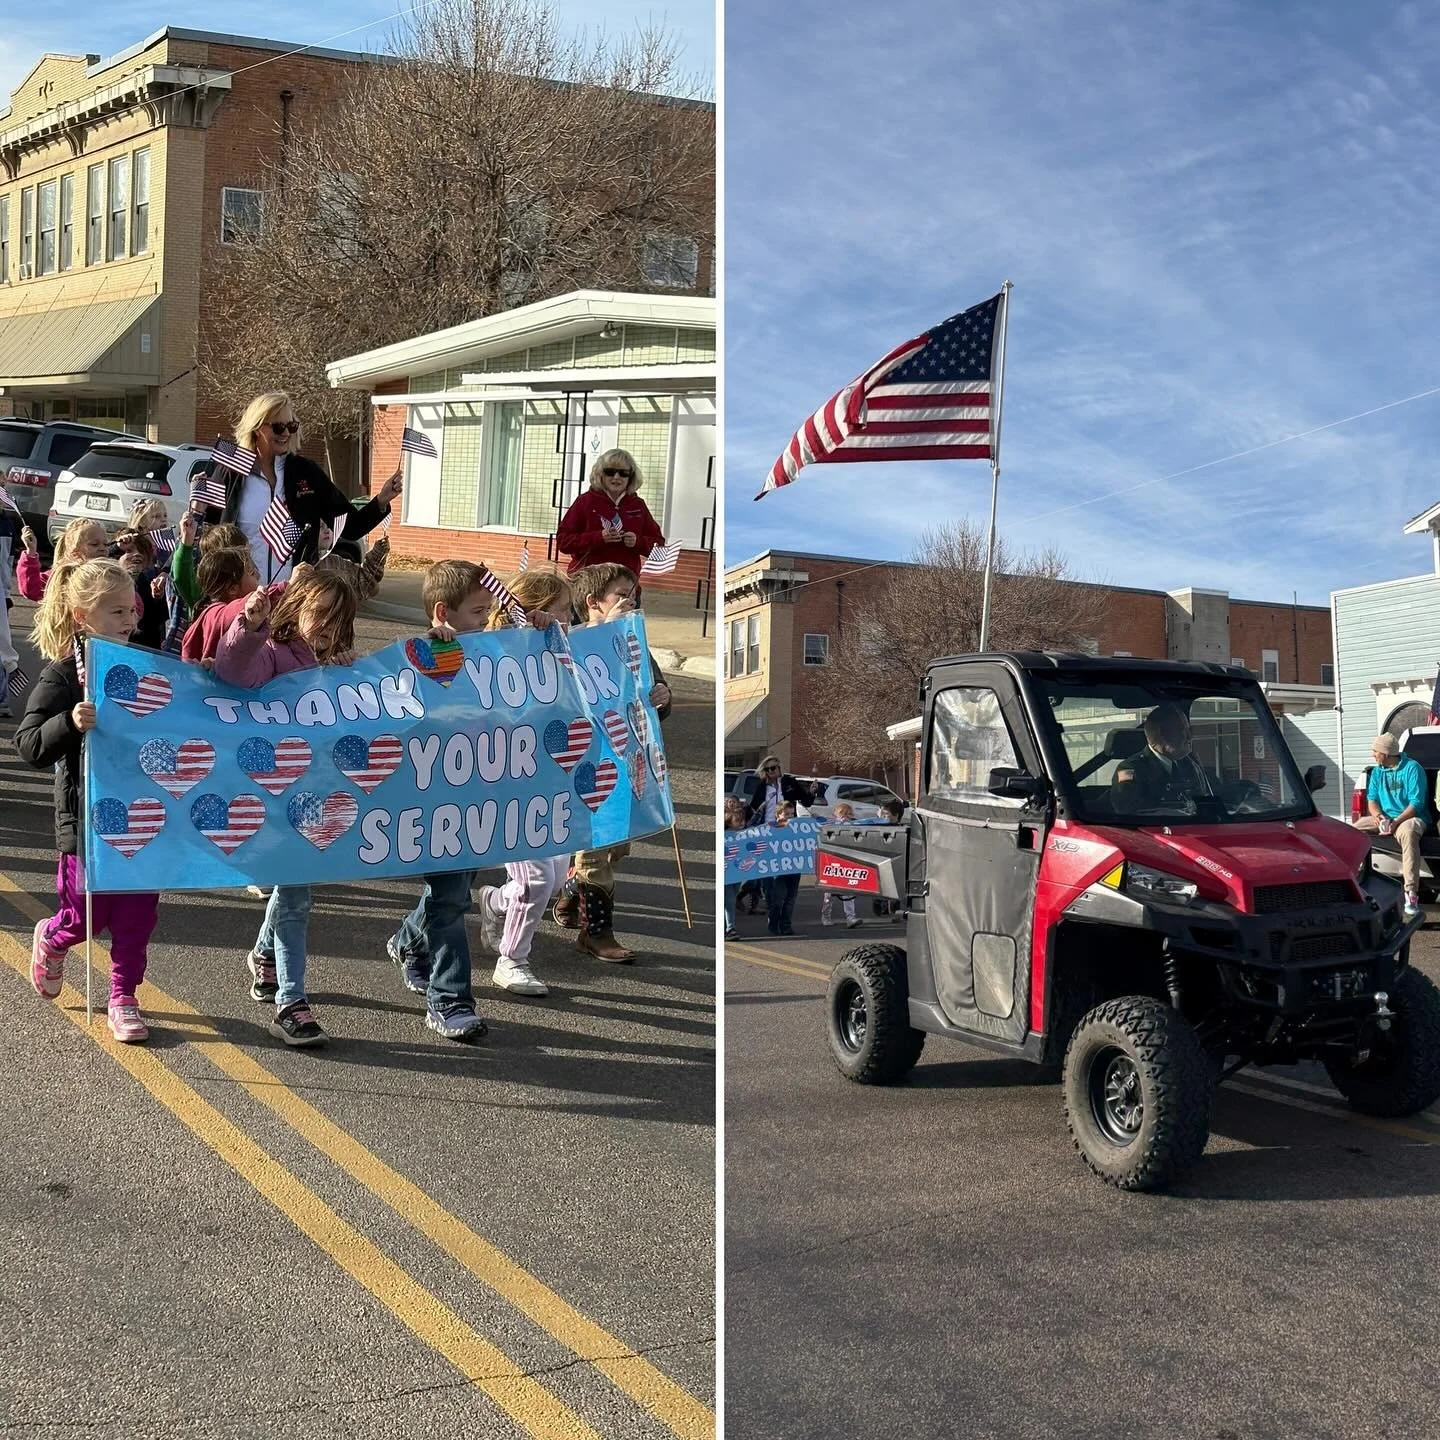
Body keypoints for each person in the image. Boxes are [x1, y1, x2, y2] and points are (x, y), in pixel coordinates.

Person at [16, 559, 161, 1042]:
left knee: (137, 917)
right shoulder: (62, 676)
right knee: (86, 916)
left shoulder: (144, 663)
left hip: (143, 818)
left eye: (132, 610)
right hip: (85, 821)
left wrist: (195, 680)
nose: (129, 621)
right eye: (117, 611)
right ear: (82, 615)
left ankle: (123, 997)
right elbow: (29, 743)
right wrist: (70, 723)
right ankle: (53, 939)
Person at [213, 569, 359, 1046]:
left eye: (339, 619)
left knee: (293, 889)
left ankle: (263, 955)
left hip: (316, 797)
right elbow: (232, 673)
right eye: (320, 613)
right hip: (273, 798)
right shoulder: (273, 654)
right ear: (295, 608)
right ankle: (291, 1004)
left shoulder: (338, 665)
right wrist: (249, 627)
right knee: (296, 896)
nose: (328, 626)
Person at [382, 560, 496, 1038]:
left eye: (490, 613)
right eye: (478, 613)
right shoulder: (419, 659)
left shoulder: (494, 654)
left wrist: (544, 630)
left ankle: (409, 940)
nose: (487, 623)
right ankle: (449, 1001)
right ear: (445, 613)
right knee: (451, 900)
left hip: (481, 794)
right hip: (438, 797)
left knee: (453, 891)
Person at [550, 563, 672, 960]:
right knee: (596, 846)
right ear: (592, 603)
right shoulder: (573, 642)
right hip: (586, 758)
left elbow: (651, 690)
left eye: (633, 593)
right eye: (620, 594)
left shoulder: (636, 642)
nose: (630, 600)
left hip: (627, 757)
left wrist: (662, 696)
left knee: (618, 842)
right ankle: (596, 933)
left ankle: (571, 891)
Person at [471, 568, 577, 996]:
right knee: (534, 880)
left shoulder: (562, 652)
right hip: (506, 782)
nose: (568, 619)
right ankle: (512, 960)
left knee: (550, 880)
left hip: (550, 781)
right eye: (561, 611)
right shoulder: (495, 650)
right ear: (531, 612)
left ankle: (494, 902)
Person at [198, 392, 400, 586]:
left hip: (292, 595)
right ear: (257, 428)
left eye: (291, 426)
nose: (286, 433)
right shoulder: (231, 471)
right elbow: (207, 534)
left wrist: (381, 500)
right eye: (278, 427)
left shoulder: (306, 472)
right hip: (240, 596)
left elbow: (350, 526)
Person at [555, 448, 666, 579]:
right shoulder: (585, 502)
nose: (616, 477)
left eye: (623, 473)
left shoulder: (638, 505)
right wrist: (598, 537)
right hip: (587, 584)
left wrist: (638, 541)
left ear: (631, 477)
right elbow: (563, 542)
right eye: (610, 472)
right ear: (600, 474)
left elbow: (659, 547)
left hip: (625, 587)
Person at [1355, 733, 1430, 919]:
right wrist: (1380, 818)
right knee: (1352, 831)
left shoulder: (1413, 769)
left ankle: (1411, 894)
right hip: (1384, 817)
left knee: (1409, 832)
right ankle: (1354, 883)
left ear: (1386, 753)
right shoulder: (1377, 772)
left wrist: (1396, 823)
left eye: (1375, 751)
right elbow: (1371, 800)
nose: (1373, 754)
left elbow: (1417, 803)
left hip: (1409, 817)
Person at [1110, 703, 1213, 814]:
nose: (1189, 736)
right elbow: (1128, 812)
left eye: (1189, 730)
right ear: (1162, 735)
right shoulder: (1130, 769)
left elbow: (1204, 803)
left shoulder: (1190, 765)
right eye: (1182, 730)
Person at [16, 517, 108, 601]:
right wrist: (31, 552)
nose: (102, 548)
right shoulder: (63, 576)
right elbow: (31, 590)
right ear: (75, 552)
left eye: (105, 544)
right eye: (94, 544)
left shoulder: (111, 576)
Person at [820, 802, 861, 929]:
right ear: (836, 814)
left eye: (848, 814)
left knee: (849, 891)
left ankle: (850, 917)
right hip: (831, 863)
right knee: (829, 893)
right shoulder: (830, 826)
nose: (846, 817)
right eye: (842, 814)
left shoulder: (853, 827)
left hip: (847, 863)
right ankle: (825, 916)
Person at [764, 802, 803, 937]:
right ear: (778, 815)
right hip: (779, 870)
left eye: (792, 814)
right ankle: (774, 924)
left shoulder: (798, 828)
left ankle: (786, 925)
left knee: (790, 900)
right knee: (778, 899)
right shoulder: (771, 828)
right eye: (786, 814)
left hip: (794, 868)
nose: (789, 817)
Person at [745, 756, 816, 826]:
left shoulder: (789, 782)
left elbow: (806, 802)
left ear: (779, 767)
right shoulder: (762, 786)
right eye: (767, 769)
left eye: (772, 768)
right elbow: (753, 807)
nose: (770, 771)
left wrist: (812, 792)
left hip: (787, 826)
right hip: (767, 826)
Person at [723, 796, 748, 940]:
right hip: (726, 872)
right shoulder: (725, 835)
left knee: (731, 899)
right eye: (738, 821)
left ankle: (729, 926)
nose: (742, 823)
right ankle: (730, 928)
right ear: (729, 821)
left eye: (742, 820)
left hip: (737, 872)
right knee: (729, 900)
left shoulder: (745, 835)